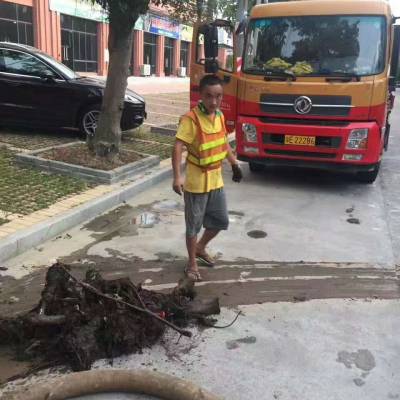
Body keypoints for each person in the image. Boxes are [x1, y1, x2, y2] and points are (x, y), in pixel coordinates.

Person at [172, 74, 243, 282]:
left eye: (218, 97)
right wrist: (177, 177)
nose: (214, 101)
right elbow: (177, 147)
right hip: (196, 182)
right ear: (200, 96)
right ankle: (192, 262)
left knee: (220, 221)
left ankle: (201, 248)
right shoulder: (190, 119)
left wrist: (234, 163)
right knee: (193, 226)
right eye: (209, 96)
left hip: (216, 180)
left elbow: (222, 143)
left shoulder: (219, 116)